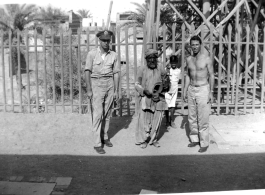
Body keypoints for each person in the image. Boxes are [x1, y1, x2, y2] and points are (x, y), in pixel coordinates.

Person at [84, 30, 120, 154]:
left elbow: (116, 74)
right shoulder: (92, 54)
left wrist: (115, 90)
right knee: (98, 114)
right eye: (103, 40)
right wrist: (89, 89)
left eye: (108, 40)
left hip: (109, 84)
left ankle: (104, 137)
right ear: (99, 41)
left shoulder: (114, 55)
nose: (106, 43)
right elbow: (87, 71)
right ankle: (97, 143)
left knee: (107, 113)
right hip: (96, 84)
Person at [183, 35, 214, 153]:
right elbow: (187, 75)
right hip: (191, 88)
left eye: (197, 44)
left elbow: (211, 75)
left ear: (200, 45)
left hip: (203, 89)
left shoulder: (206, 59)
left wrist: (211, 92)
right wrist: (185, 90)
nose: (195, 47)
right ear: (190, 46)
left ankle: (204, 142)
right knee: (191, 116)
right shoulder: (189, 59)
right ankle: (195, 139)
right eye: (193, 45)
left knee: (203, 117)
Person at [135, 49, 168, 149]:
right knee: (144, 121)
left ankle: (154, 139)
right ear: (146, 59)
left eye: (154, 58)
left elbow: (166, 82)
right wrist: (144, 91)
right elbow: (137, 84)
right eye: (150, 58)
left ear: (157, 58)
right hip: (146, 98)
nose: (152, 60)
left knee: (157, 121)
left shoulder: (161, 68)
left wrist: (163, 89)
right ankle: (143, 140)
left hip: (159, 98)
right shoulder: (142, 69)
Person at [165, 55, 181, 128]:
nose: (173, 64)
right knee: (166, 106)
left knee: (173, 106)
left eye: (175, 63)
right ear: (170, 63)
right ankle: (166, 121)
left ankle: (171, 121)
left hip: (175, 89)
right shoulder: (167, 70)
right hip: (167, 90)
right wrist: (167, 71)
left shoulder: (178, 71)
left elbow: (178, 80)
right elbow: (165, 78)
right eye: (172, 63)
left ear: (177, 63)